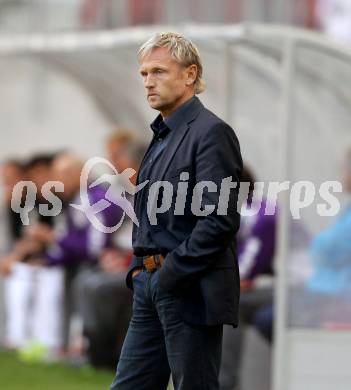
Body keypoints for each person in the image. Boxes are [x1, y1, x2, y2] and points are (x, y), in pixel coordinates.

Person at [110, 32, 243, 390]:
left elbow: (220, 219)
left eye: (159, 71)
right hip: (152, 285)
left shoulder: (212, 133)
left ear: (190, 75)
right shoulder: (162, 133)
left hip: (188, 287)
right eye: (144, 74)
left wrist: (171, 273)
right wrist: (143, 274)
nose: (149, 82)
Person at [219, 165, 277, 390]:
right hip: (273, 287)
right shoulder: (246, 212)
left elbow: (245, 272)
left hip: (294, 290)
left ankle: (223, 384)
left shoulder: (262, 216)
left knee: (226, 302)